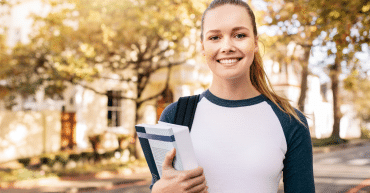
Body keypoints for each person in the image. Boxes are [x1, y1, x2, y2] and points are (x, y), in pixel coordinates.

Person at [151, 0, 315, 192]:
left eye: (239, 35)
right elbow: (159, 184)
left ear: (255, 43)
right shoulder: (175, 115)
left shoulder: (290, 121)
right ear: (203, 46)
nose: (227, 46)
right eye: (215, 37)